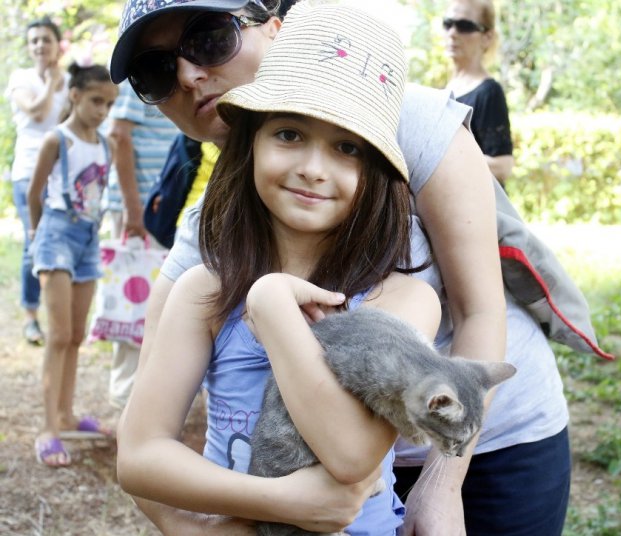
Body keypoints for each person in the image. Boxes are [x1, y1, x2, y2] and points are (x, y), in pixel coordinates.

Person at [111, 1, 571, 535]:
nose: (189, 74)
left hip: (488, 433)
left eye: (209, 38)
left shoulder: (413, 132)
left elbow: (477, 311)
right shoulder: (205, 264)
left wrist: (270, 304)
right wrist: (230, 521)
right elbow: (141, 444)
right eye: (155, 69)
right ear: (251, 141)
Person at [117, 4, 440, 534]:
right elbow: (139, 455)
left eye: (346, 147)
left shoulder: (401, 300)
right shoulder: (205, 292)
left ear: (378, 173)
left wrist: (270, 306)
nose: (313, 168)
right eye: (289, 134)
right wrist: (281, 501)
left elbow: (352, 453)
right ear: (251, 145)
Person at [27, 63, 118, 467]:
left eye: (109, 104)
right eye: (97, 101)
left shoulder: (106, 146)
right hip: (56, 235)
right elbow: (34, 193)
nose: (102, 111)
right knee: (59, 334)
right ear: (76, 96)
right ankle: (48, 428)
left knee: (77, 334)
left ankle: (66, 414)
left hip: (87, 238)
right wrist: (37, 238)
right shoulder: (56, 140)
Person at [105, 79, 178, 410]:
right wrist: (134, 209)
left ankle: (149, 397)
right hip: (137, 207)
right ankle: (126, 398)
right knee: (134, 300)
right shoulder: (140, 77)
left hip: (163, 206)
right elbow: (119, 135)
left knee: (161, 301)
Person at [5, 16, 69, 345]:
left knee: (58, 242)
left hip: (61, 175)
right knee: (34, 243)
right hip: (28, 172)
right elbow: (35, 112)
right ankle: (31, 315)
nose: (40, 45)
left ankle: (55, 313)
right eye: (34, 41)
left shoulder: (70, 80)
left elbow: (68, 123)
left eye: (46, 39)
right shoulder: (21, 78)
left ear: (58, 44)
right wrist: (51, 82)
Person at [443, 0, 514, 187]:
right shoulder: (446, 89)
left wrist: (441, 161)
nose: (452, 33)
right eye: (448, 24)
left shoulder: (489, 92)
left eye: (465, 26)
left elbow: (502, 166)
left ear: (487, 37)